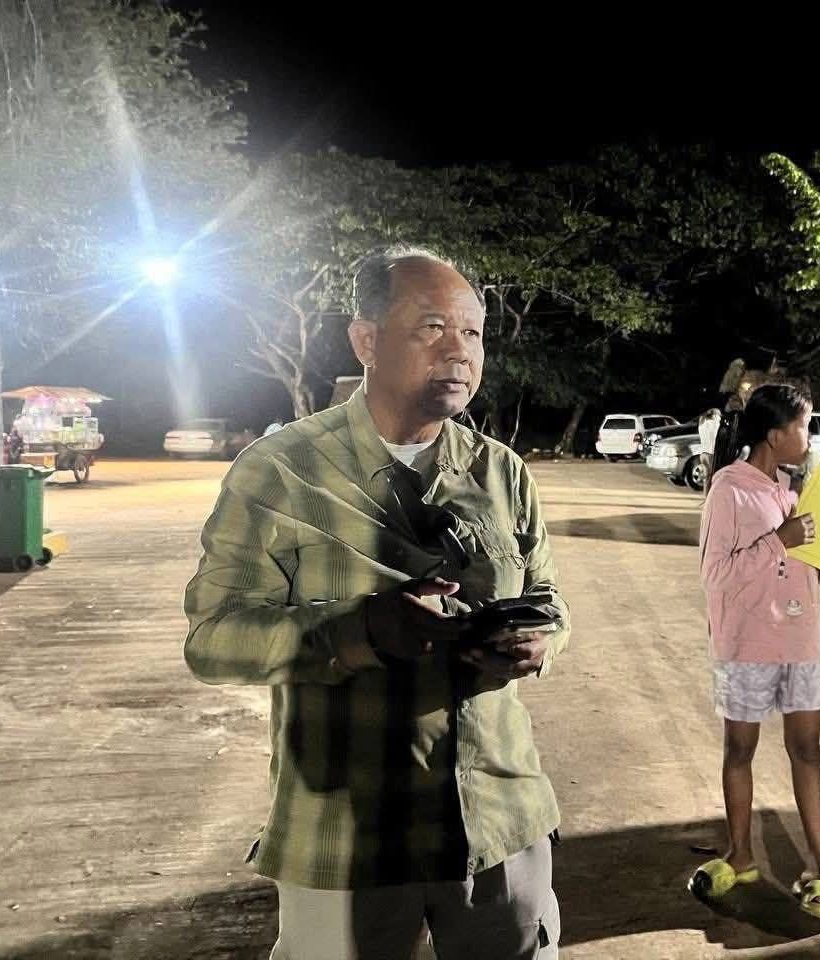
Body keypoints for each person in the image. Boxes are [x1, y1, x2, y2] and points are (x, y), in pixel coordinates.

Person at [184, 246, 571, 960]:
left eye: (473, 332)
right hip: (346, 838)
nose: (459, 351)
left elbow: (548, 599)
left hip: (497, 820)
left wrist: (537, 641)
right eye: (432, 327)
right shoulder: (281, 471)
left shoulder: (502, 472)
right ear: (366, 340)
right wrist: (355, 633)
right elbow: (213, 637)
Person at [691, 383, 820, 928]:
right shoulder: (728, 489)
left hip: (798, 641)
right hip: (747, 644)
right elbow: (716, 575)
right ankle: (740, 856)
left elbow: (804, 575)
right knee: (740, 750)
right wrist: (779, 540)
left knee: (807, 750)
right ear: (774, 433)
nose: (809, 436)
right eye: (803, 426)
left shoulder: (791, 493)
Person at [697, 408, 722, 484]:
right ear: (715, 416)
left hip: (702, 453)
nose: (720, 418)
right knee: (711, 480)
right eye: (719, 416)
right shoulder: (714, 424)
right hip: (710, 454)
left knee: (706, 480)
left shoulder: (702, 423)